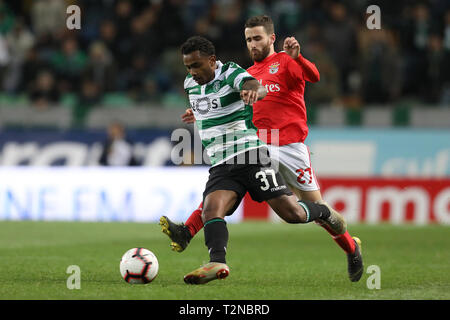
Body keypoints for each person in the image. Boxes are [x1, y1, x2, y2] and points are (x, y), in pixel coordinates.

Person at [161, 16, 364, 284]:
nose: (253, 44)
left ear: (271, 38)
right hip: (259, 142)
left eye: (257, 38)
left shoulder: (284, 60)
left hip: (291, 145)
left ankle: (351, 248)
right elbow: (225, 99)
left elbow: (313, 76)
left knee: (313, 210)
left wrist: (297, 58)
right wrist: (200, 110)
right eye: (248, 40)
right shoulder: (246, 72)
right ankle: (191, 233)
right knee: (222, 188)